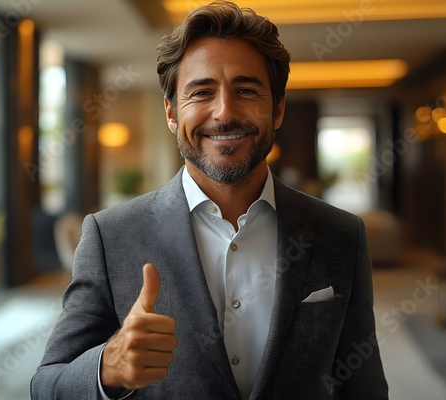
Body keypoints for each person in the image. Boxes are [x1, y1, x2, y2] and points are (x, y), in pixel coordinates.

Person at [31, 2, 388, 399]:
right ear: (171, 112)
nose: (224, 112)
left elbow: (364, 385)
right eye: (201, 92)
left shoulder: (341, 234)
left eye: (246, 90)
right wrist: (108, 367)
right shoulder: (109, 236)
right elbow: (47, 385)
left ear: (279, 107)